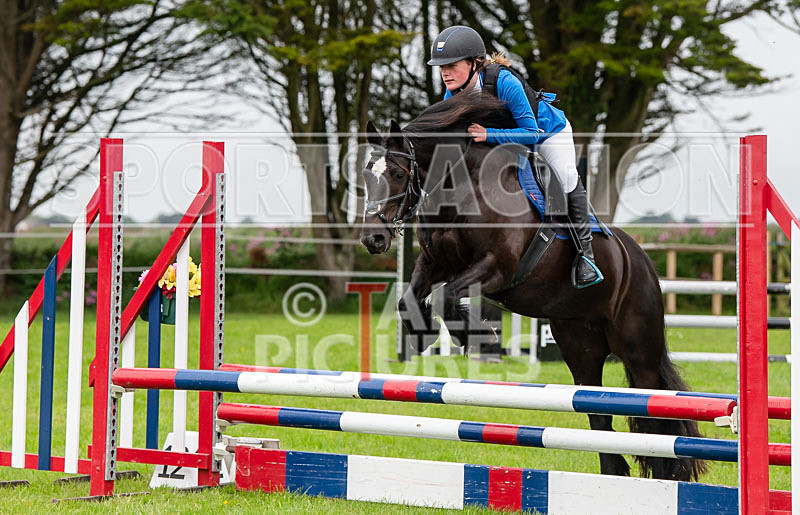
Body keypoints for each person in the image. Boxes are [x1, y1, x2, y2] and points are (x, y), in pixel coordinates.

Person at [427, 25, 603, 288]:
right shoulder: (453, 94)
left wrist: (489, 134)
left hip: (547, 132)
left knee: (565, 177)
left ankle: (585, 257)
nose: (444, 72)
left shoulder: (504, 82)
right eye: (441, 66)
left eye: (451, 65)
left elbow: (532, 134)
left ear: (475, 63)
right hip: (505, 140)